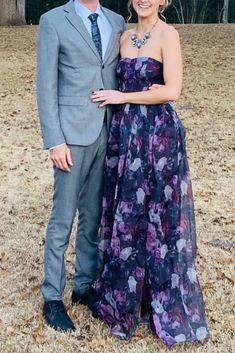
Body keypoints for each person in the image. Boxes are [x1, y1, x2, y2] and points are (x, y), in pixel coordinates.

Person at [90, 0, 210, 347]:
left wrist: (123, 95)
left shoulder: (167, 35)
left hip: (158, 138)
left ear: (163, 1)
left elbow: (172, 91)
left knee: (159, 216)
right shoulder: (123, 38)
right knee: (128, 214)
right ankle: (129, 297)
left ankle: (161, 299)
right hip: (126, 134)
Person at [36, 0, 126, 332]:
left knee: (93, 217)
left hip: (107, 131)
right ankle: (52, 297)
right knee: (63, 218)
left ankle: (84, 286)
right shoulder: (52, 21)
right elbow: (45, 86)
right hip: (70, 137)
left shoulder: (117, 21)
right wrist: (54, 140)